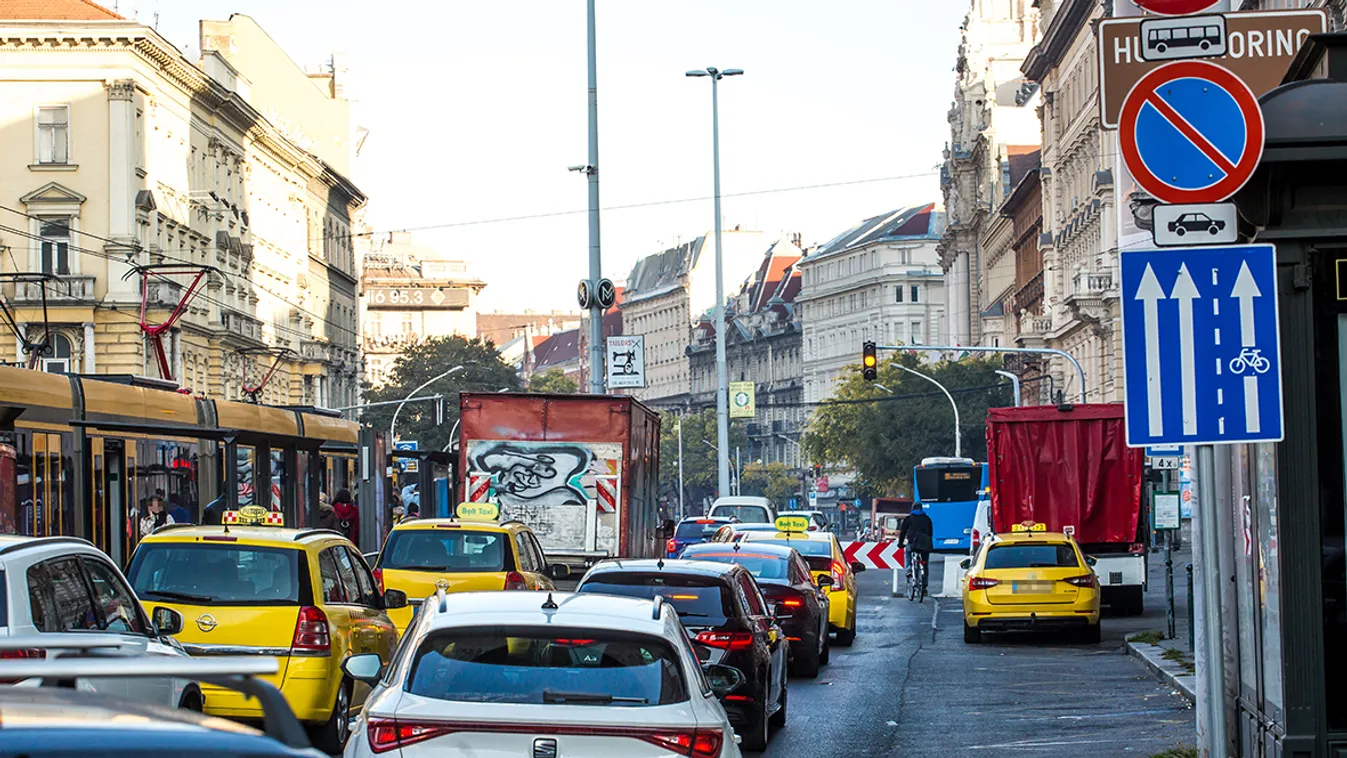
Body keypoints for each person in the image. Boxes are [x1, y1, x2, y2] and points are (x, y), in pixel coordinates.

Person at [898, 503, 934, 593]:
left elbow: (903, 532)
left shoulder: (909, 518)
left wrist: (900, 543)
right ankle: (924, 587)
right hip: (925, 545)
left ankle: (909, 568)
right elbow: (930, 533)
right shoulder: (927, 519)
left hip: (913, 543)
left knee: (908, 551)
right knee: (924, 564)